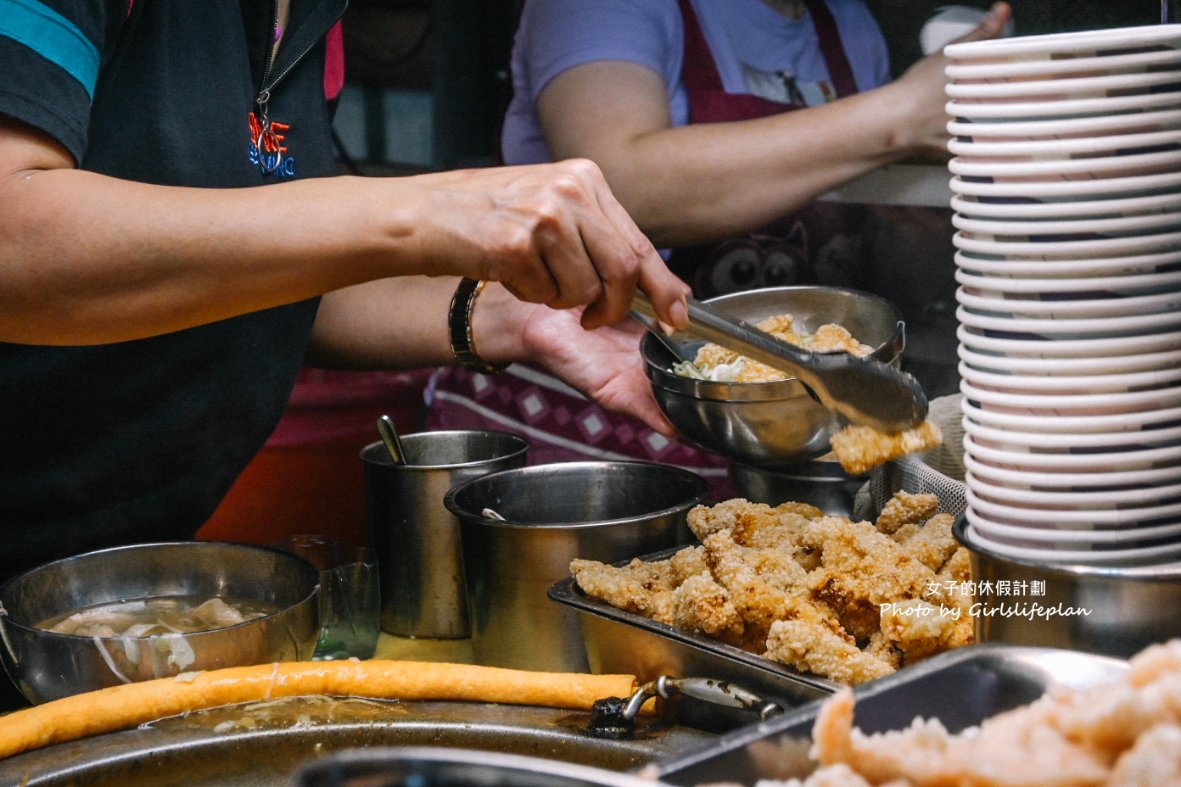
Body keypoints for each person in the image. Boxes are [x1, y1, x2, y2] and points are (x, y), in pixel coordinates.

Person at [0, 0, 691, 592]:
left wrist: (506, 313)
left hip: (105, 574)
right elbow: (12, 235)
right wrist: (429, 207)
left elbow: (252, 267)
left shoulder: (310, 19)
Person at [424, 0, 1012, 494]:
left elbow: (863, 249)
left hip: (777, 449)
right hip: (583, 438)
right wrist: (899, 116)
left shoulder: (846, 24)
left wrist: (914, 231)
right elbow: (613, 188)